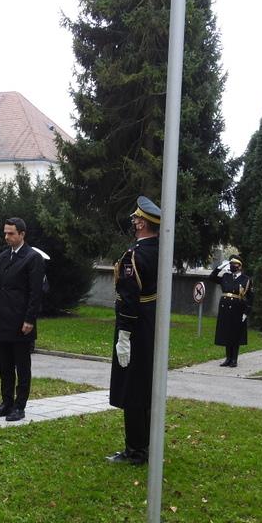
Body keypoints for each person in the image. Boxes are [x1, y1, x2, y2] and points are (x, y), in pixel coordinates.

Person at [106, 196, 160, 465]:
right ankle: (146, 443)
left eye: (136, 218)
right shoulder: (161, 250)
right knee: (146, 384)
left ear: (142, 224)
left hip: (135, 325)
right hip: (151, 322)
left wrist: (124, 335)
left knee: (132, 388)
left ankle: (136, 449)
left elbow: (129, 298)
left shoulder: (135, 255)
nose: (134, 222)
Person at [0, 218, 45, 422]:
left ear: (22, 234)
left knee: (22, 366)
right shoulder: (3, 256)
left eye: (11, 233)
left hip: (21, 321)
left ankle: (19, 406)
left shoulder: (32, 258)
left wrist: (29, 319)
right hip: (2, 319)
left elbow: (35, 293)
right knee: (5, 366)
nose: (7, 237)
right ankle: (6, 403)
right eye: (5, 233)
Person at [208, 256, 254, 368]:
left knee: (235, 334)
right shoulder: (226, 276)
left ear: (240, 266)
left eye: (235, 264)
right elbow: (211, 278)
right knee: (226, 333)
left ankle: (234, 359)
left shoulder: (245, 279)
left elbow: (251, 297)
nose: (232, 266)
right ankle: (228, 358)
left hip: (237, 309)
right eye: (231, 264)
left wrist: (246, 312)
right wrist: (219, 267)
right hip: (225, 308)